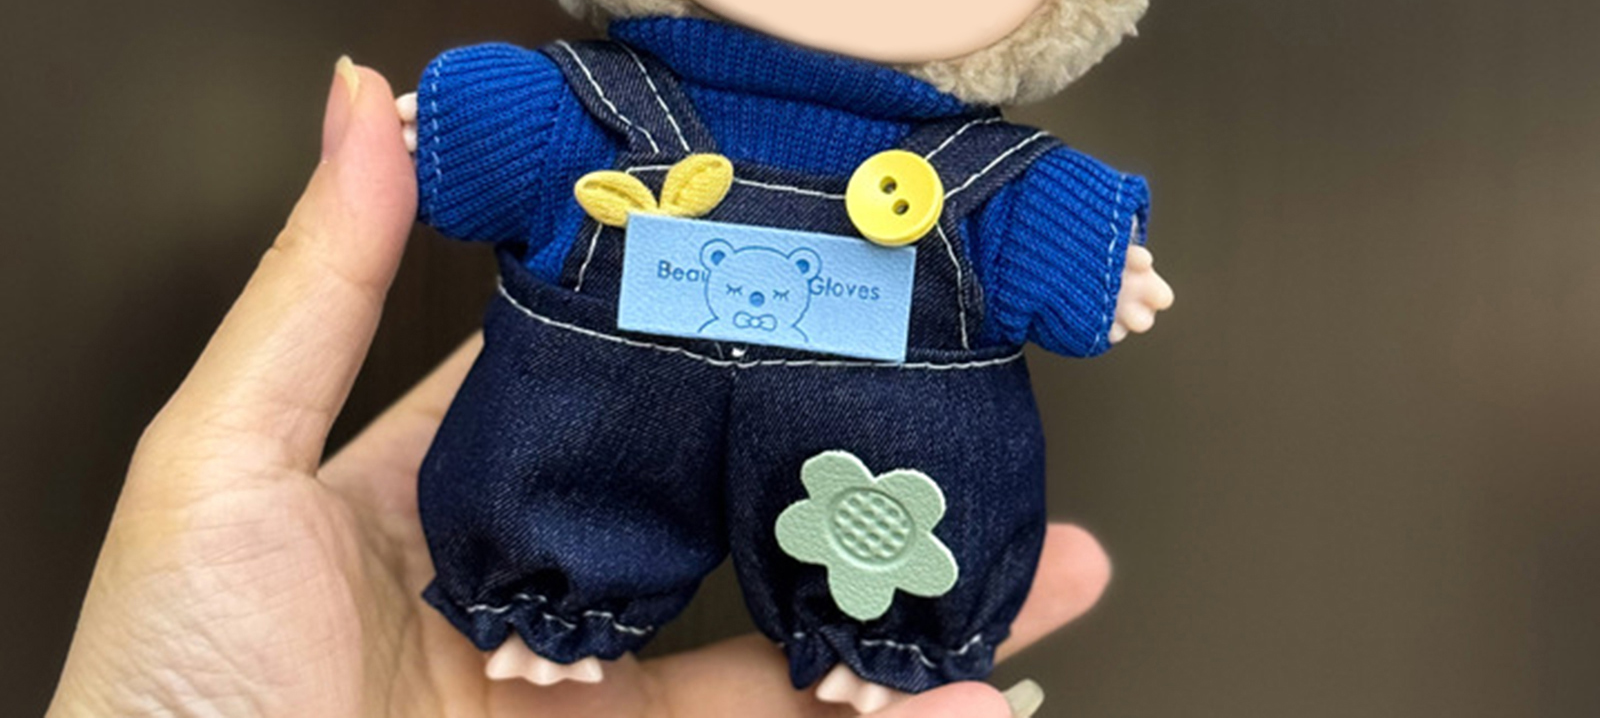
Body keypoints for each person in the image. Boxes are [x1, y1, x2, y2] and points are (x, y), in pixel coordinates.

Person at [45, 61, 1116, 717]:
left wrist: (1097, 267)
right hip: (621, 411)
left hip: (866, 454)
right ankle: (546, 598)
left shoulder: (984, 173)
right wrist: (453, 132)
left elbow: (1055, 243)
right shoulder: (600, 109)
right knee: (574, 448)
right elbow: (502, 140)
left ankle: (886, 637)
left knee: (888, 523)